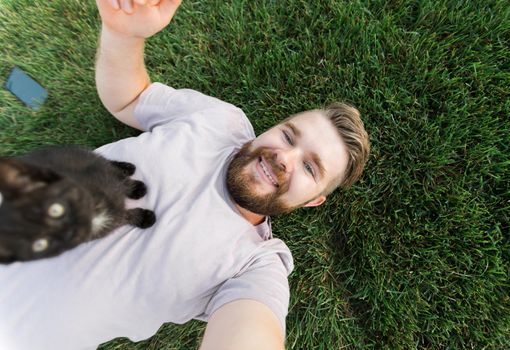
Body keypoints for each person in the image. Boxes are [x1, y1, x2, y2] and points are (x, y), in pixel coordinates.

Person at [0, 0, 370, 349]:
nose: (284, 157)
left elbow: (251, 328)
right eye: (288, 135)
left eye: (309, 167)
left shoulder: (255, 264)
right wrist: (123, 34)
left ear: (314, 200)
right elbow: (130, 99)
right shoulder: (220, 121)